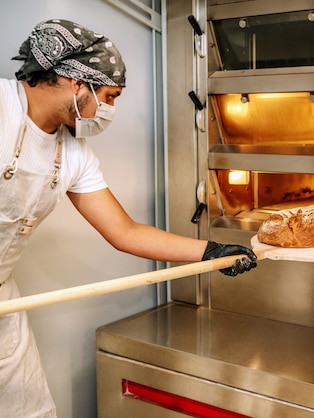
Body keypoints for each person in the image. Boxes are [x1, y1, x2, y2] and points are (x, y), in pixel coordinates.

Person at [0, 19, 257, 417]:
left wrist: (211, 252)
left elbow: (124, 231)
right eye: (110, 96)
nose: (110, 110)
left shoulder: (73, 152)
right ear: (76, 82)